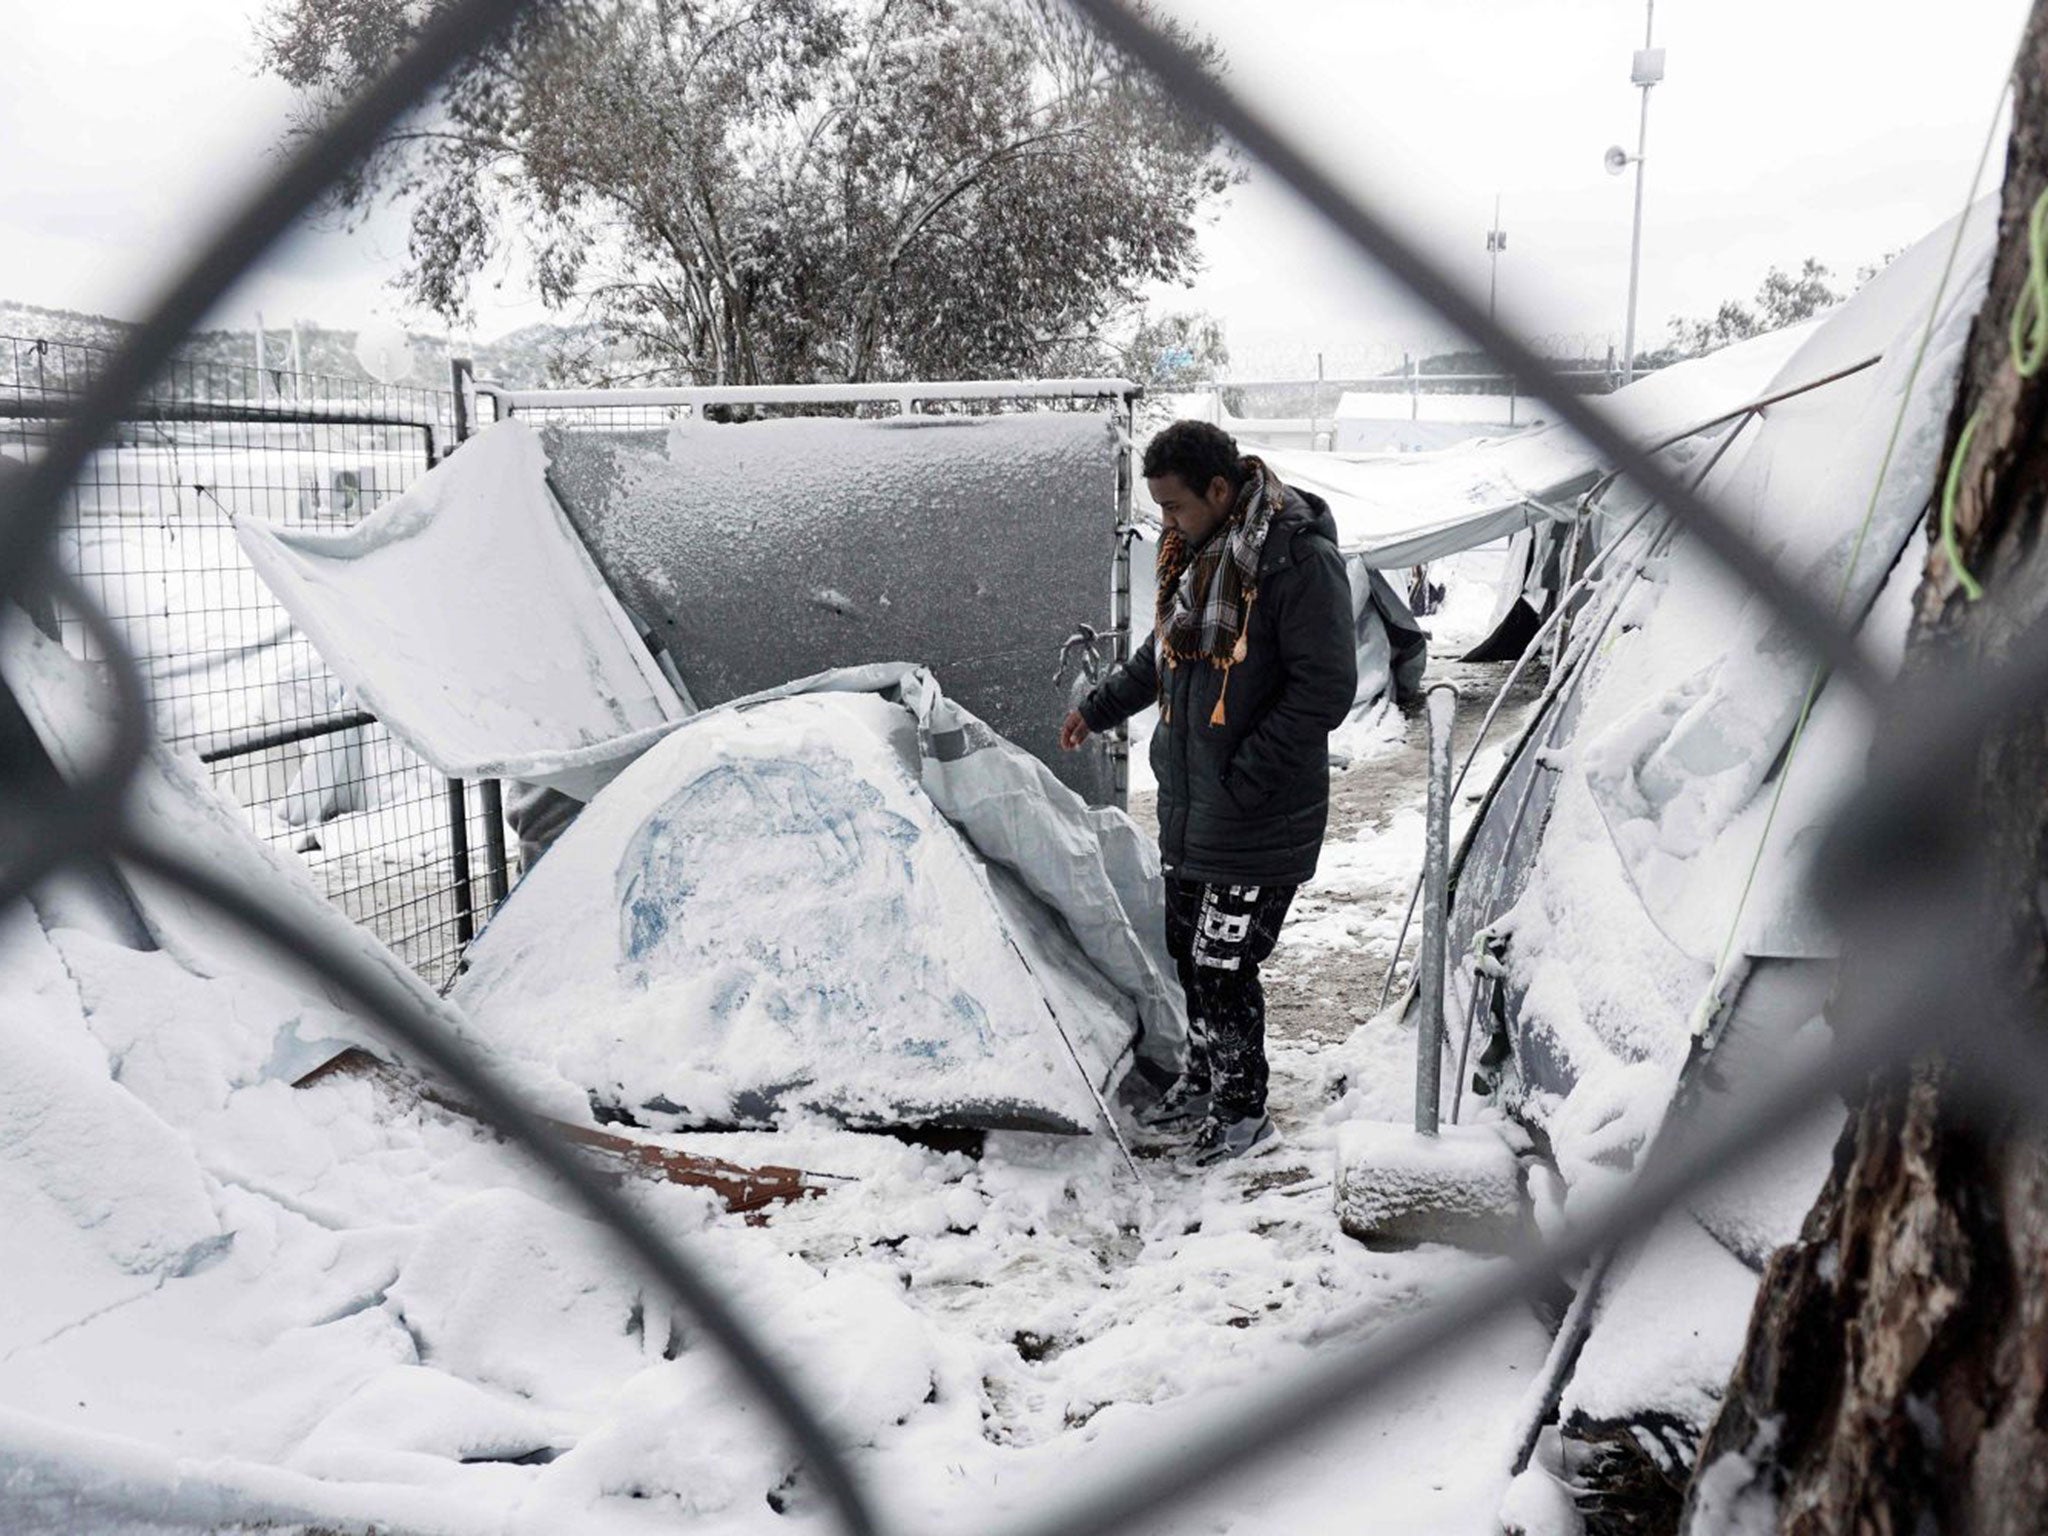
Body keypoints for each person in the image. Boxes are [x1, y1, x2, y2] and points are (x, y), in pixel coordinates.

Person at [1062, 420, 1356, 1166]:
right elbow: (1165, 656)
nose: (1166, 524)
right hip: (1198, 814)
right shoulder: (1198, 558)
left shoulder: (1296, 563)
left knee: (1224, 969)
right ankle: (1204, 1078)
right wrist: (1097, 708)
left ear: (1220, 491)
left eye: (1175, 508)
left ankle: (1242, 1115)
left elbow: (1325, 690)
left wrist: (1245, 774)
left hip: (1257, 817)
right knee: (1188, 955)